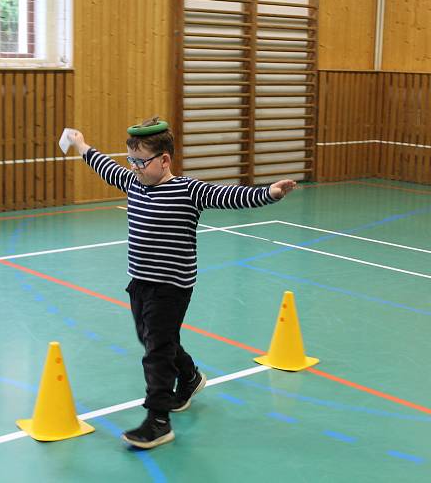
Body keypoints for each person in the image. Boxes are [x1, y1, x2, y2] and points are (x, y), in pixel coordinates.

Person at [66, 117, 296, 449]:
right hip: (141, 281)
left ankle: (158, 420)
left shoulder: (188, 190)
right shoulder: (134, 182)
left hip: (172, 286)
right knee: (153, 339)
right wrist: (82, 144)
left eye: (142, 162)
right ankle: (189, 378)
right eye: (132, 161)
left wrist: (270, 193)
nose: (135, 168)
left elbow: (230, 196)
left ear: (164, 160)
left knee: (156, 351)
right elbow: (105, 166)